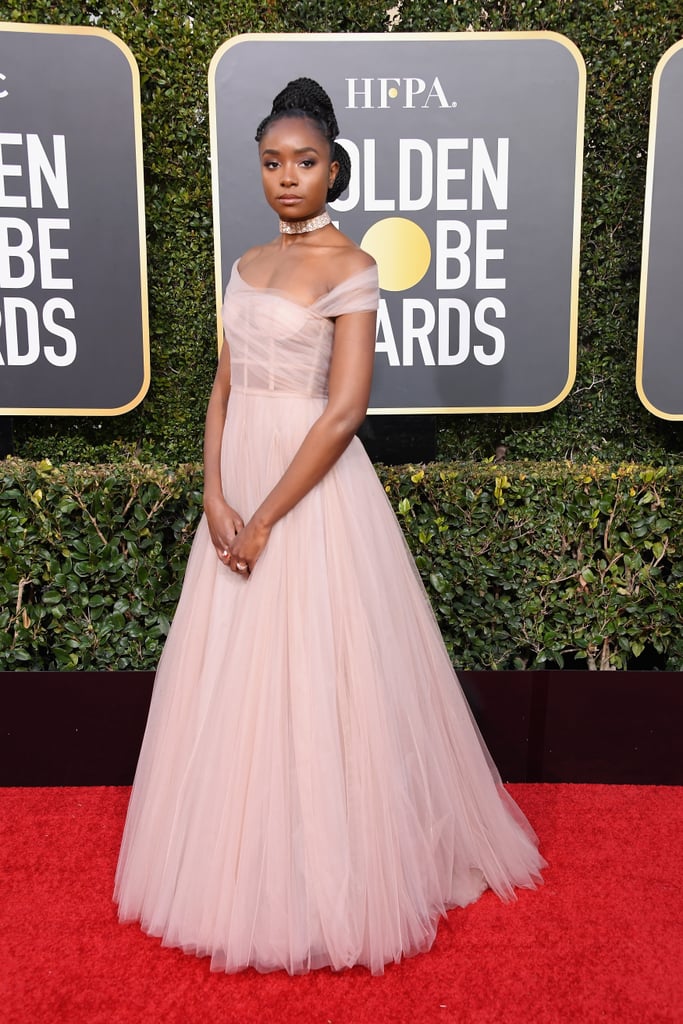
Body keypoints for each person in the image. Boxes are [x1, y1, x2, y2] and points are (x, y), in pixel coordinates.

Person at [114, 78, 545, 976]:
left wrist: (264, 514)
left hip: (308, 492)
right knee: (231, 680)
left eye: (304, 162)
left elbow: (346, 411)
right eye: (271, 162)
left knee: (322, 676)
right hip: (237, 486)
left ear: (334, 167)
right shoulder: (243, 266)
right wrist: (213, 492)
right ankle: (239, 859)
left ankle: (335, 870)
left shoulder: (352, 269)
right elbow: (224, 387)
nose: (286, 177)